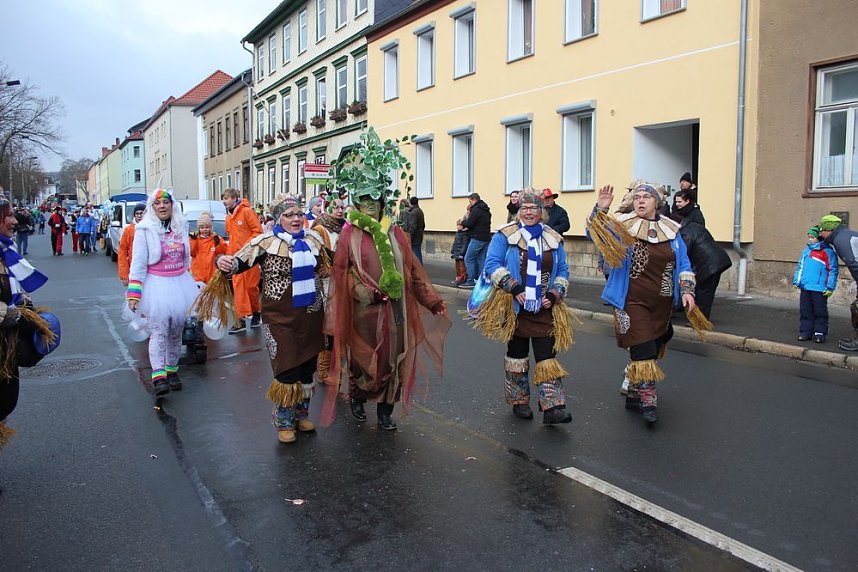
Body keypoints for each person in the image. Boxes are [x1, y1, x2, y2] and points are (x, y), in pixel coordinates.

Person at [327, 129, 450, 430]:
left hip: (396, 312)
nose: (370, 204)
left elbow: (413, 272)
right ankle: (358, 398)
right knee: (363, 360)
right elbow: (342, 276)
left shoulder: (396, 233)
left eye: (375, 199)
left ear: (383, 201)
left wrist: (432, 301)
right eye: (364, 199)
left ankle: (385, 411)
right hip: (363, 314)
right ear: (357, 202)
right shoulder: (348, 235)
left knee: (394, 358)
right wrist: (368, 293)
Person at [216, 195, 330, 444]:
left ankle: (301, 415)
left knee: (307, 369)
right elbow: (237, 263)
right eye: (289, 215)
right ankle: (284, 421)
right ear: (278, 219)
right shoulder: (265, 243)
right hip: (280, 318)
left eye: (298, 214)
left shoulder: (314, 240)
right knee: (287, 367)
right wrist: (222, 261)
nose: (296, 219)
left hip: (311, 316)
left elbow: (329, 267)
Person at [587, 183, 698, 425]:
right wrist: (601, 210)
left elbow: (684, 263)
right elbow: (596, 235)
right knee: (644, 347)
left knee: (658, 341)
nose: (640, 200)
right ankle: (649, 402)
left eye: (646, 197)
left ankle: (634, 392)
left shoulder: (671, 230)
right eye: (637, 197)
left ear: (657, 202)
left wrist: (687, 291)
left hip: (662, 301)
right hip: (630, 299)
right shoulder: (624, 226)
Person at [477, 189, 573, 424]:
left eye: (534, 208)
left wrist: (555, 293)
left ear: (542, 211)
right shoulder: (505, 235)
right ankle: (519, 401)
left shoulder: (552, 237)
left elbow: (563, 270)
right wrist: (514, 288)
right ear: (519, 210)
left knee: (547, 355)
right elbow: (492, 264)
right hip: (515, 307)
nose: (529, 212)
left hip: (545, 307)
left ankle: (553, 407)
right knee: (517, 354)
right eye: (525, 208)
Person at [126, 189, 198, 396]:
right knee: (159, 331)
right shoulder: (144, 229)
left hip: (180, 283)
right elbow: (138, 263)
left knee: (176, 331)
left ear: (172, 205)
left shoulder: (180, 227)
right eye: (157, 203)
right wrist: (134, 293)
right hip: (157, 286)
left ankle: (172, 370)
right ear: (152, 207)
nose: (162, 206)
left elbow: (186, 259)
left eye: (166, 202)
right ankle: (159, 376)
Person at [0, 197, 49, 450]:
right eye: (8, 215)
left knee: (6, 401)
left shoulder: (5, 252)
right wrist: (17, 316)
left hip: (5, 345)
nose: (14, 220)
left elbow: (10, 291)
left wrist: (25, 306)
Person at [311, 196, 346, 383]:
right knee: (329, 328)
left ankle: (335, 367)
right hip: (327, 286)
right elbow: (315, 258)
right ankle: (324, 371)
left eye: (342, 207)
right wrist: (329, 272)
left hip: (342, 284)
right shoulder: (320, 228)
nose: (339, 211)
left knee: (340, 327)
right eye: (335, 207)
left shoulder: (345, 228)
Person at [222, 188, 263, 333]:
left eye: (226, 198)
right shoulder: (228, 218)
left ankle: (256, 313)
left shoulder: (247, 212)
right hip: (236, 259)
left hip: (250, 257)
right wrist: (229, 256)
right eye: (223, 198)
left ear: (234, 198)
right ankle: (240, 320)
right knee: (239, 288)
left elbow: (258, 231)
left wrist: (247, 247)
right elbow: (231, 238)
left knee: (251, 287)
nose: (224, 201)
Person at [675, 220, 731, 320]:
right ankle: (698, 318)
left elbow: (684, 255)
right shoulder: (694, 226)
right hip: (716, 261)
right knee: (706, 291)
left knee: (703, 293)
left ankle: (700, 320)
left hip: (709, 265)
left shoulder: (685, 233)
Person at [818, 214, 858, 351]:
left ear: (828, 229)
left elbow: (854, 265)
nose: (820, 234)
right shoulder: (842, 236)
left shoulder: (841, 241)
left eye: (821, 230)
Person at [793, 225, 838, 343]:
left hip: (820, 288)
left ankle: (819, 332)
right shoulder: (806, 252)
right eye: (809, 237)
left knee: (820, 311)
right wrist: (797, 280)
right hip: (806, 286)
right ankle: (805, 332)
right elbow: (800, 267)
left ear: (819, 237)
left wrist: (830, 287)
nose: (810, 239)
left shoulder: (828, 252)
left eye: (812, 237)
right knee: (805, 310)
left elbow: (832, 270)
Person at [459, 192, 492, 289]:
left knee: (468, 258)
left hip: (477, 237)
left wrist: (462, 223)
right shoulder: (486, 209)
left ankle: (471, 280)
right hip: (486, 238)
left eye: (470, 201)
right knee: (481, 259)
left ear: (474, 200)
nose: (470, 203)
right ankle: (482, 280)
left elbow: (470, 223)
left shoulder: (476, 209)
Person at [189, 211, 228, 283]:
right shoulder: (195, 239)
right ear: (198, 229)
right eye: (202, 227)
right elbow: (192, 253)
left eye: (207, 227)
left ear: (210, 228)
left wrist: (218, 244)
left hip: (212, 276)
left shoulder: (216, 238)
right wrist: (193, 240)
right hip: (198, 276)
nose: (205, 229)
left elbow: (223, 253)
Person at [118, 203, 146, 286]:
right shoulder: (128, 230)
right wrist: (124, 275)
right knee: (135, 293)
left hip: (151, 271)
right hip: (134, 270)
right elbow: (122, 253)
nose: (139, 216)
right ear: (134, 215)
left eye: (142, 213)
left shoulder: (152, 228)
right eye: (137, 213)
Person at [450, 215, 471, 286]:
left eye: (460, 225)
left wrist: (462, 253)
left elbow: (465, 244)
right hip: (456, 252)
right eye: (457, 225)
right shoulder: (457, 234)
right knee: (457, 266)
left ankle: (462, 278)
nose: (458, 227)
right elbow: (455, 243)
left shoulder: (465, 234)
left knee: (462, 267)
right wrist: (452, 251)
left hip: (461, 253)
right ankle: (458, 277)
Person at [406, 196, 425, 264]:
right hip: (419, 236)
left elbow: (412, 227)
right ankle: (420, 267)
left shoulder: (413, 213)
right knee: (418, 252)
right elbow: (423, 225)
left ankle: (419, 268)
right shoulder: (420, 211)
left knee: (416, 254)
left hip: (414, 238)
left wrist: (409, 237)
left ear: (411, 203)